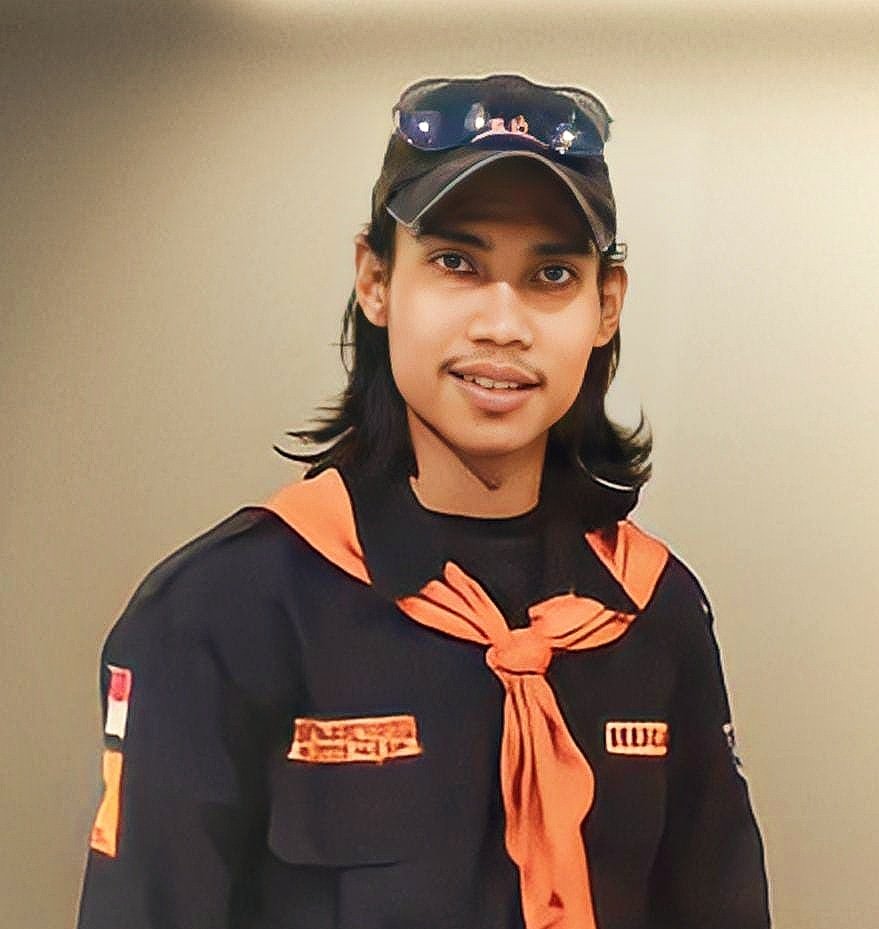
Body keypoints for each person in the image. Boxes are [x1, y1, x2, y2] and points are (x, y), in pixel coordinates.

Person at [76, 73, 771, 929]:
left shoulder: (651, 609)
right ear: (375, 280)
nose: (502, 324)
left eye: (551, 273)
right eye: (456, 264)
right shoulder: (222, 610)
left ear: (605, 307)